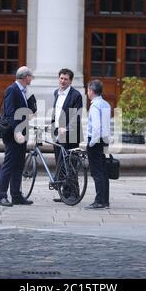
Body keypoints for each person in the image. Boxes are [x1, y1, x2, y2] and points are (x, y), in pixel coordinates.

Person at [0, 66, 34, 207]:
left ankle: (16, 196)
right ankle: (1, 197)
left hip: (22, 133)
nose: (31, 79)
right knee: (8, 165)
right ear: (26, 77)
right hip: (14, 134)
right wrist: (17, 132)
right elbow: (10, 113)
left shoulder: (23, 90)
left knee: (19, 165)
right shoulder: (12, 89)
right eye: (30, 76)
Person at [51, 68, 83, 203]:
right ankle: (64, 193)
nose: (62, 81)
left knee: (71, 165)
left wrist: (67, 129)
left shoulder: (76, 95)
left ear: (70, 81)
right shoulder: (56, 93)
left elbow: (77, 116)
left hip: (71, 135)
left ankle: (73, 194)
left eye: (66, 79)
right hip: (58, 134)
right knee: (60, 164)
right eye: (61, 78)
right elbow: (56, 113)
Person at [85, 80, 111, 209]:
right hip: (103, 140)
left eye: (88, 90)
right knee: (103, 172)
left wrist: (91, 143)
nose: (87, 92)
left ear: (92, 91)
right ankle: (105, 201)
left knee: (97, 173)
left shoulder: (95, 106)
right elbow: (106, 126)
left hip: (95, 141)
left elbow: (96, 127)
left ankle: (99, 200)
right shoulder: (106, 104)